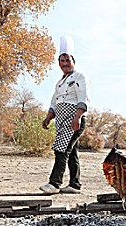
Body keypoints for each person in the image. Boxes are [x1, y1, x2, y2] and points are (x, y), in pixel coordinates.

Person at [40, 35, 91, 194]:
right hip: (61, 120)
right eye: (62, 61)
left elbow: (83, 97)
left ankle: (54, 184)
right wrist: (49, 117)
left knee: (61, 149)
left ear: (73, 61)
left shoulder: (79, 77)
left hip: (73, 118)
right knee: (71, 151)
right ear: (59, 64)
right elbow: (54, 101)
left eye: (68, 60)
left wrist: (78, 117)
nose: (65, 64)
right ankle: (75, 185)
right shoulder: (60, 82)